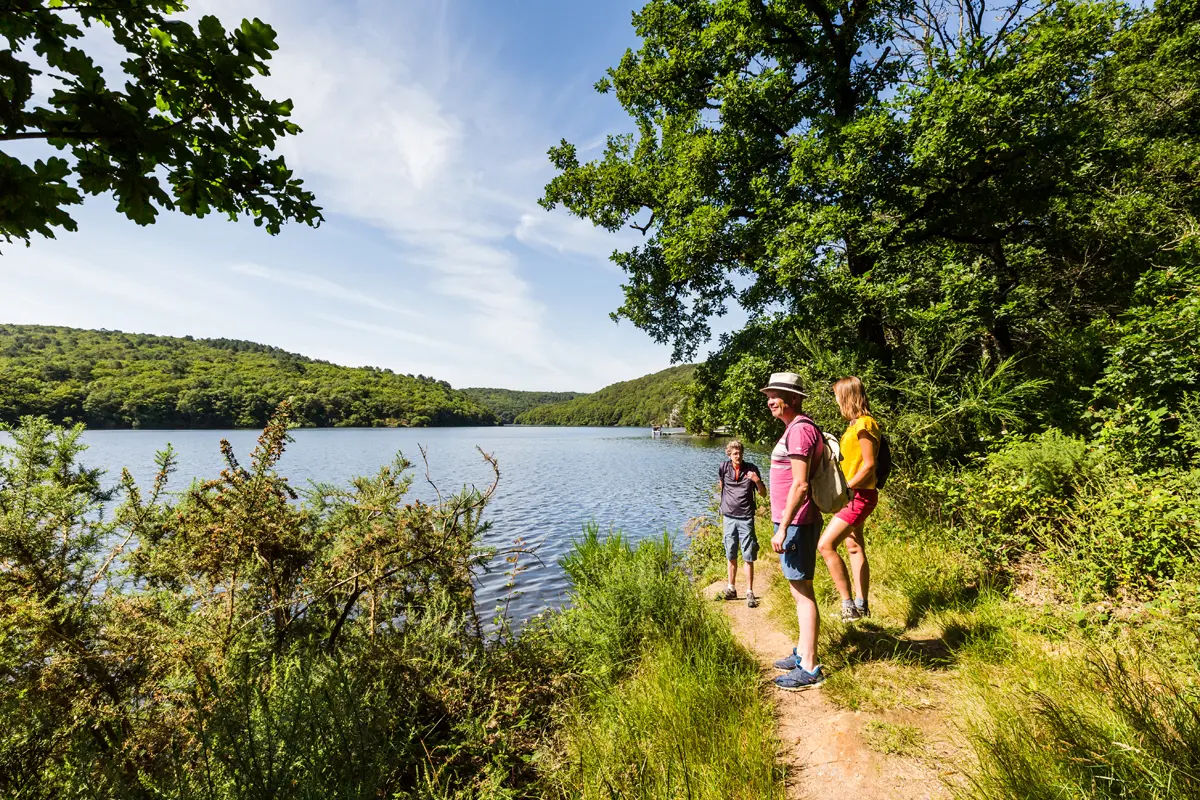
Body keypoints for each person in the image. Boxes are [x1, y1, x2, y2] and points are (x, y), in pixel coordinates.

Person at [761, 372, 827, 691]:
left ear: (794, 399)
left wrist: (783, 527)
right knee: (797, 588)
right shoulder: (796, 428)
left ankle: (810, 666)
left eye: (777, 394)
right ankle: (802, 652)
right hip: (795, 521)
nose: (771, 400)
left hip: (797, 522)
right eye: (770, 394)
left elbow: (800, 484)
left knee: (802, 593)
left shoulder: (800, 431)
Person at [817, 376, 880, 621]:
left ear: (847, 397)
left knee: (825, 545)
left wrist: (845, 489)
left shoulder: (865, 424)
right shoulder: (854, 426)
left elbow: (869, 465)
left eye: (836, 396)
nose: (835, 401)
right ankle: (862, 605)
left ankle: (849, 606)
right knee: (853, 546)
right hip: (854, 495)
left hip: (859, 496)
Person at [714, 439, 766, 607]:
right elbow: (722, 487)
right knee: (730, 553)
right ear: (729, 454)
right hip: (728, 517)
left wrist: (757, 480)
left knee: (748, 555)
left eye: (740, 453)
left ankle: (750, 591)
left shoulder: (751, 469)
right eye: (735, 453)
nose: (738, 456)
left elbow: (763, 493)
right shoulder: (723, 467)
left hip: (746, 518)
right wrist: (722, 507)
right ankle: (731, 588)